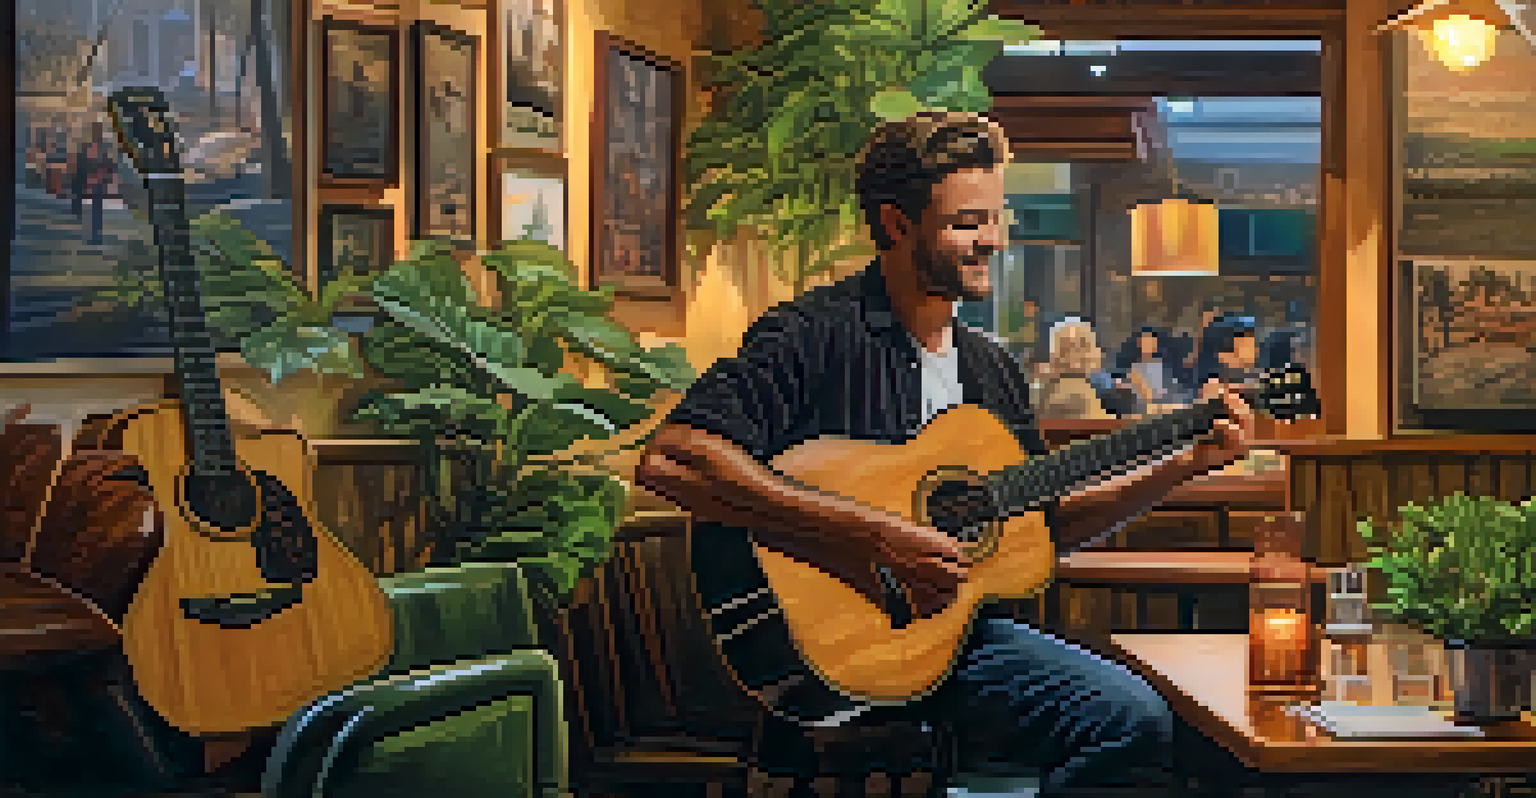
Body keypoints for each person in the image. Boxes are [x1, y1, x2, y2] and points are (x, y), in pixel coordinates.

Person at [635, 111, 1255, 796]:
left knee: (1178, 734)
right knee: (1126, 717)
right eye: (967, 223)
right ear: (897, 224)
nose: (992, 240)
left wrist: (1183, 466)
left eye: (998, 219)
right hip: (834, 645)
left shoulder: (990, 370)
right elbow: (675, 458)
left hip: (956, 639)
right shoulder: (814, 335)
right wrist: (875, 536)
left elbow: (1040, 529)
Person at [1034, 317, 1113, 420]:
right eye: (1088, 345)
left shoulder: (1068, 384)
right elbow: (1100, 423)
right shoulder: (1075, 391)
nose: (1098, 351)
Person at [1113, 324, 1192, 414]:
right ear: (1139, 344)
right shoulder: (1134, 369)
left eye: (1151, 341)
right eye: (1145, 341)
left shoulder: (1163, 367)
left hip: (1167, 406)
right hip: (1147, 410)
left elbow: (1175, 389)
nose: (1148, 344)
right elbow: (1135, 395)